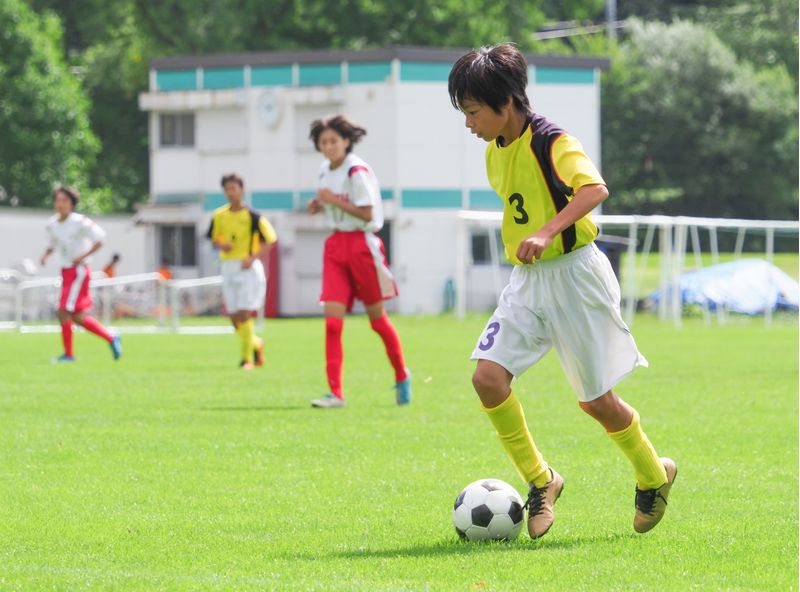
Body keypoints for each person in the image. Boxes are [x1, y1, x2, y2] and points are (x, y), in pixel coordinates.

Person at [447, 44, 676, 539]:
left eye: (472, 111)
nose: (468, 123)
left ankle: (654, 476)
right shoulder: (494, 151)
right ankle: (542, 481)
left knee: (596, 402)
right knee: (487, 379)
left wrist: (548, 232)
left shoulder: (552, 139)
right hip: (528, 281)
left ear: (505, 101)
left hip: (576, 276)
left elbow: (594, 189)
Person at [306, 114, 411, 409]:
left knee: (377, 321)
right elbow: (331, 201)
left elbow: (367, 214)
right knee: (332, 324)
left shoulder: (357, 171)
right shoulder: (325, 170)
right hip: (336, 245)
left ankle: (402, 375)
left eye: (333, 141)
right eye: (323, 142)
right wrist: (318, 205)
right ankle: (335, 393)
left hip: (362, 246)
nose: (328, 147)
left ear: (346, 141)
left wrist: (332, 200)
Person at [40, 186, 122, 362]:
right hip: (66, 271)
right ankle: (111, 337)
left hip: (78, 271)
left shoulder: (80, 221)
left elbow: (100, 240)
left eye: (64, 200)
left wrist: (82, 257)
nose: (60, 204)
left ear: (71, 204)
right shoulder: (52, 224)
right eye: (58, 200)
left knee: (62, 310)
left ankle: (69, 355)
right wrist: (46, 255)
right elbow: (53, 243)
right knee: (76, 316)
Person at [206, 173, 277, 370]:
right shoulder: (219, 215)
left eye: (234, 188)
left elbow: (270, 239)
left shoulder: (253, 216)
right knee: (233, 316)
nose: (231, 192)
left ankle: (247, 359)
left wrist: (252, 257)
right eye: (227, 189)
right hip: (228, 266)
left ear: (241, 189)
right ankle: (256, 343)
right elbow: (213, 239)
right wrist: (222, 245)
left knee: (245, 312)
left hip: (247, 267)